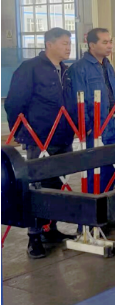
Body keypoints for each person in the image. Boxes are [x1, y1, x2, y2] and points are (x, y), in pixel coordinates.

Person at [5, 28, 76, 258]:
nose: (68, 47)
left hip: (63, 137)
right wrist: (20, 130)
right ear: (49, 44)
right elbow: (14, 102)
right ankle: (34, 237)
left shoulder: (65, 71)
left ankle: (50, 228)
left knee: (56, 185)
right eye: (64, 43)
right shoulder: (30, 68)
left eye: (69, 43)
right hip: (40, 138)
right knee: (36, 186)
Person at [66, 28, 115, 196]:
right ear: (92, 45)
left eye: (110, 42)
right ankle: (93, 207)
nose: (110, 46)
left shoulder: (108, 66)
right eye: (105, 42)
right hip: (96, 127)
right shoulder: (79, 68)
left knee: (112, 167)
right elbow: (77, 99)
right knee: (94, 170)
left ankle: (106, 203)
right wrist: (86, 126)